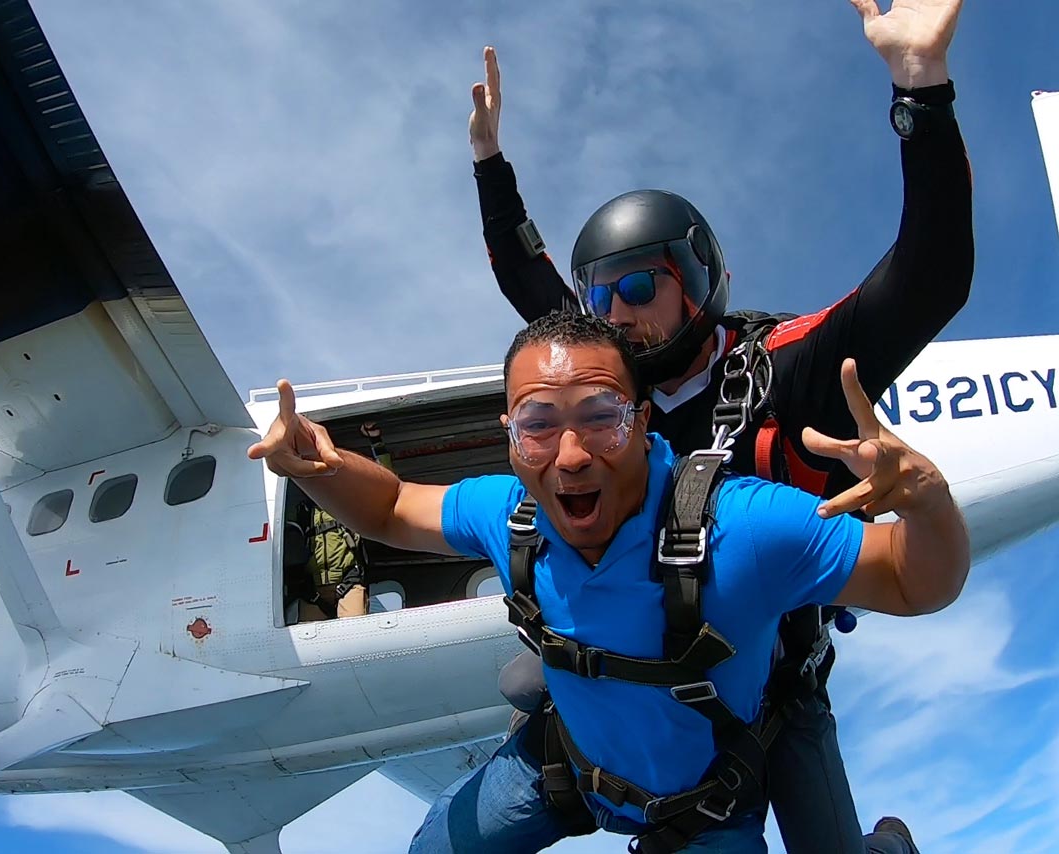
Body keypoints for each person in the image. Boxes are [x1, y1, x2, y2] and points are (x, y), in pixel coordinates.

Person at [465, 1, 972, 849]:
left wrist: (921, 88)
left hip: (776, 672)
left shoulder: (791, 368)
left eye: (639, 288)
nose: (615, 317)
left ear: (698, 279)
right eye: (600, 295)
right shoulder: (607, 373)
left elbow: (932, 277)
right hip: (654, 650)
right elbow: (526, 274)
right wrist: (488, 160)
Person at [247, 312, 969, 853]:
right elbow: (395, 505)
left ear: (641, 418)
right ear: (509, 432)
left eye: (600, 419)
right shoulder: (509, 515)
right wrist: (321, 469)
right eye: (539, 424)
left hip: (706, 814)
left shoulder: (744, 529)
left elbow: (913, 582)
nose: (569, 456)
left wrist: (928, 503)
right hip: (565, 769)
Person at [290, 421, 394, 621]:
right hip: (312, 590)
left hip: (348, 582)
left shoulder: (350, 503)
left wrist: (376, 441)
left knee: (354, 636)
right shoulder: (303, 510)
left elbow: (386, 482)